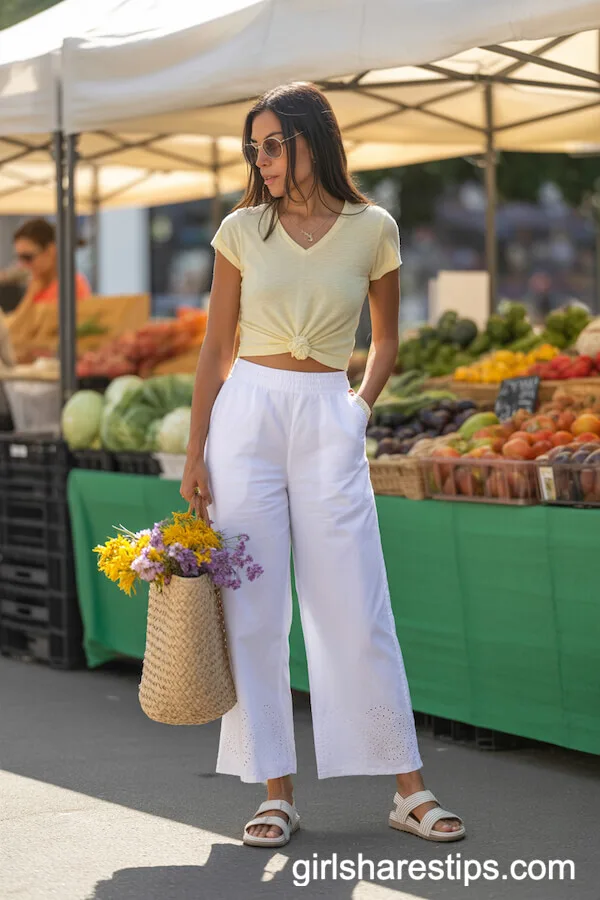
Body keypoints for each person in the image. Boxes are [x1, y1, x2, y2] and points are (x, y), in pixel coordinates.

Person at [180, 82, 465, 849]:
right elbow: (216, 348)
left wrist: (358, 409)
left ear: (313, 141)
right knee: (256, 609)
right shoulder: (242, 229)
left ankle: (408, 787)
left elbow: (388, 341)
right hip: (247, 420)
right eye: (255, 147)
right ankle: (275, 791)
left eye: (274, 143)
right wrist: (194, 452)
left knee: (356, 602)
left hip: (327, 415)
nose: (262, 159)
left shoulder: (373, 227)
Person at [7, 218, 91, 339]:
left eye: (28, 257)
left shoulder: (72, 286)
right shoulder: (36, 285)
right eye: (19, 258)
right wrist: (29, 297)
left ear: (51, 251)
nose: (22, 264)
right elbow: (11, 332)